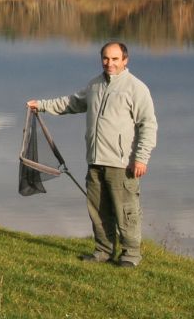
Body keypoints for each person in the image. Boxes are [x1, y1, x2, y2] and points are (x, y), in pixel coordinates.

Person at [27, 41, 157, 268]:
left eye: (115, 59)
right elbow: (71, 103)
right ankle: (103, 251)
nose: (110, 63)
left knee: (126, 211)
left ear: (125, 61)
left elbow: (148, 125)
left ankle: (131, 255)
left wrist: (141, 158)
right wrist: (42, 105)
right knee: (97, 210)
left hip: (122, 164)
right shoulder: (95, 85)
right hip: (95, 161)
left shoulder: (137, 88)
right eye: (106, 58)